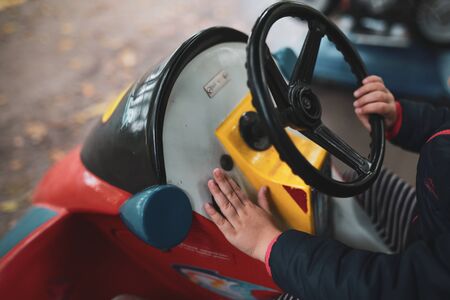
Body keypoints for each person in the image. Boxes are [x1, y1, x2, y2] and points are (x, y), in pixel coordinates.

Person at [204, 75, 450, 299]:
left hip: (416, 284)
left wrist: (267, 244)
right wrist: (399, 118)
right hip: (431, 226)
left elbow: (393, 288)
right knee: (367, 181)